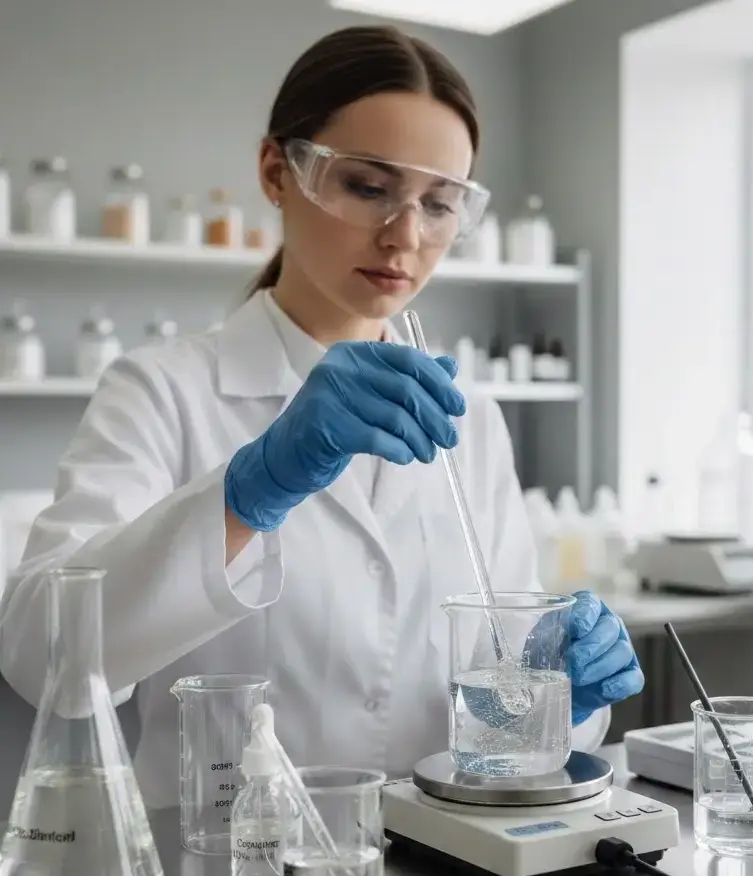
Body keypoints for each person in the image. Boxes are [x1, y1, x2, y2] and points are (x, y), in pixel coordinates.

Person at [0, 25, 643, 807]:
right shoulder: (162, 388)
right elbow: (46, 659)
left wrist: (555, 698)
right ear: (278, 171)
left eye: (439, 204)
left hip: (429, 864)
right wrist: (252, 488)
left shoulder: (472, 421)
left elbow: (495, 711)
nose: (405, 235)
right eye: (368, 187)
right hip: (225, 867)